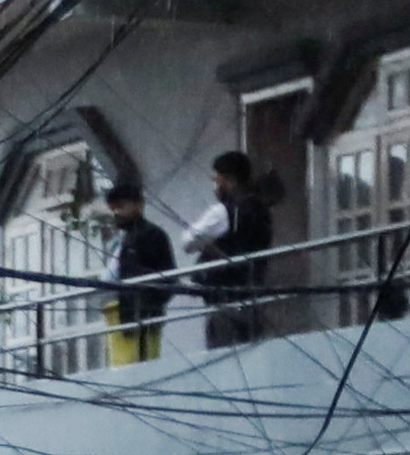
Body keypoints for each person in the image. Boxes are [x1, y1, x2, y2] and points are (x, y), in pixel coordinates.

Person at [197, 149, 281, 347]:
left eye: (216, 179)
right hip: (250, 293)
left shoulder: (230, 210)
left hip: (228, 296)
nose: (215, 185)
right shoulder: (258, 208)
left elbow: (190, 240)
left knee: (223, 362)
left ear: (228, 179)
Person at [100, 178, 179, 368]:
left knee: (142, 367)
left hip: (144, 318)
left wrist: (150, 302)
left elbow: (169, 277)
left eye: (120, 206)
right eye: (113, 208)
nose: (116, 212)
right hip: (124, 317)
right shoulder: (123, 239)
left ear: (137, 205)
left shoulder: (152, 235)